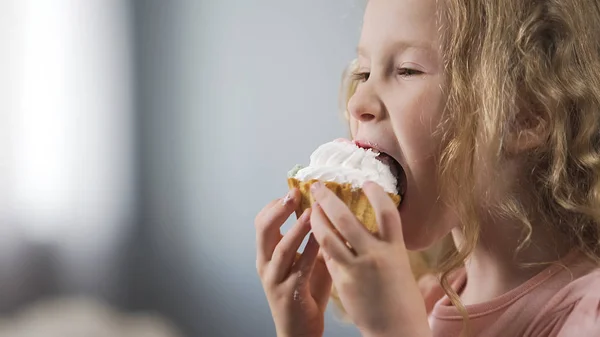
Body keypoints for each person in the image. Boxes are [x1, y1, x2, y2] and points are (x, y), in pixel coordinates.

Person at [254, 0, 600, 336]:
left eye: (407, 70)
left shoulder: (588, 316)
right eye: (363, 72)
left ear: (527, 114)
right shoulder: (426, 299)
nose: (356, 102)